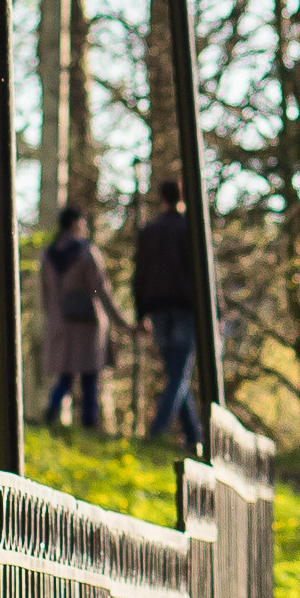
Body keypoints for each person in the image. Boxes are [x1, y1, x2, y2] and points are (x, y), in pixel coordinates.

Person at [39, 204, 130, 431]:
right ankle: (89, 424)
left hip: (59, 322)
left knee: (65, 376)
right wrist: (122, 321)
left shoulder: (48, 255)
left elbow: (45, 293)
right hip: (88, 323)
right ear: (74, 223)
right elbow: (101, 289)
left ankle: (51, 412)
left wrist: (51, 319)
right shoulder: (86, 252)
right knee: (90, 376)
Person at [134, 179, 204, 454]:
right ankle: (159, 430)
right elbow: (201, 272)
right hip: (185, 307)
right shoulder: (189, 229)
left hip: (158, 307)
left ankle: (193, 435)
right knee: (179, 372)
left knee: (176, 372)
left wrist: (141, 312)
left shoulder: (149, 232)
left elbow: (139, 274)